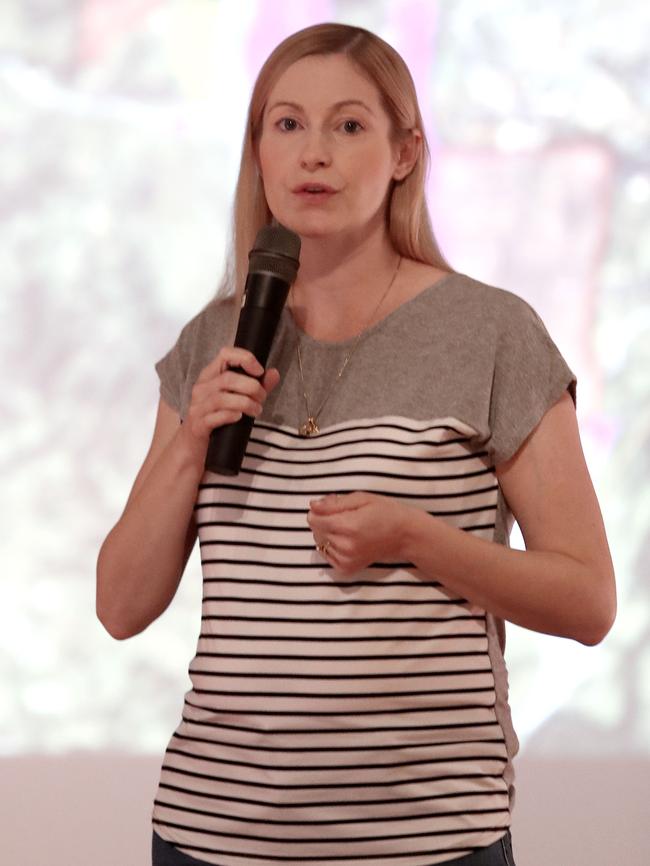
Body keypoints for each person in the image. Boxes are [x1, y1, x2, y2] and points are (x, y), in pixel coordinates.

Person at [96, 22, 616, 866]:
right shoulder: (214, 340)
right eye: (287, 124)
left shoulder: (490, 332)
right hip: (213, 836)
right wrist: (190, 441)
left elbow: (588, 600)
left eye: (348, 125)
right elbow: (120, 606)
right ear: (258, 152)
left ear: (406, 151)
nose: (314, 154)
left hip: (430, 841)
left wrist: (416, 539)